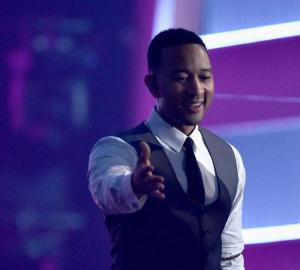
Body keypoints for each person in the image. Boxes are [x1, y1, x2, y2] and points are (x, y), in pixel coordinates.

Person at [88, 28, 246, 270]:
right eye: (181, 78)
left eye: (204, 77)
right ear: (153, 85)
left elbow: (230, 256)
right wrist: (133, 184)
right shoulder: (119, 148)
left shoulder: (229, 157)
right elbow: (106, 189)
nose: (196, 90)